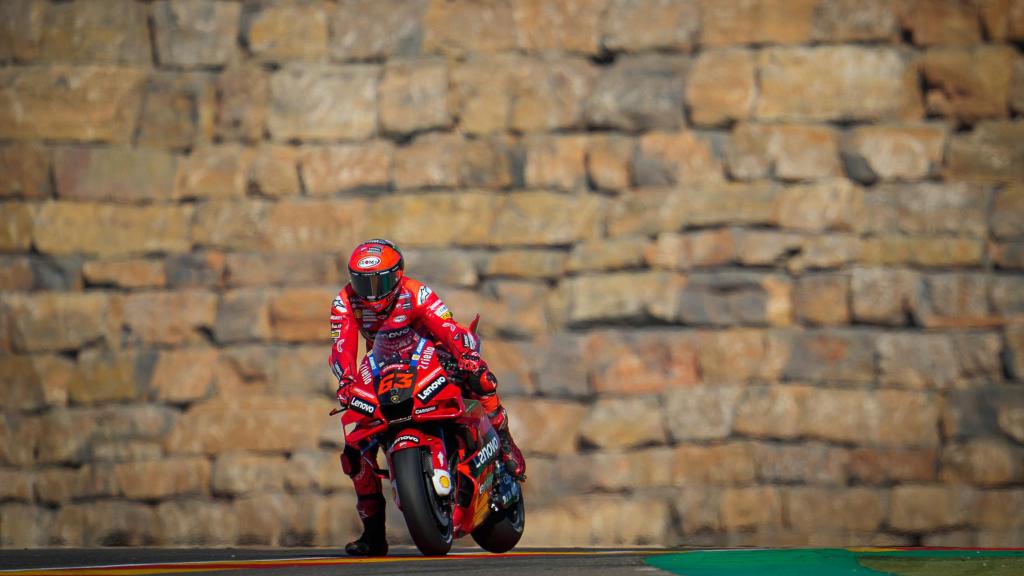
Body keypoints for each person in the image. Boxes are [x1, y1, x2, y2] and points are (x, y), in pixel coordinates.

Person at [328, 238, 526, 557]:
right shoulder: (345, 302)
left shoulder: (415, 292)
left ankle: (504, 443)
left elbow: (446, 326)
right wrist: (347, 381)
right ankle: (373, 534)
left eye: (381, 281)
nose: (373, 291)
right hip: (385, 368)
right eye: (363, 282)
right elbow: (341, 349)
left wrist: (466, 357)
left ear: (398, 275)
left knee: (481, 379)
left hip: (432, 354)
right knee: (355, 449)